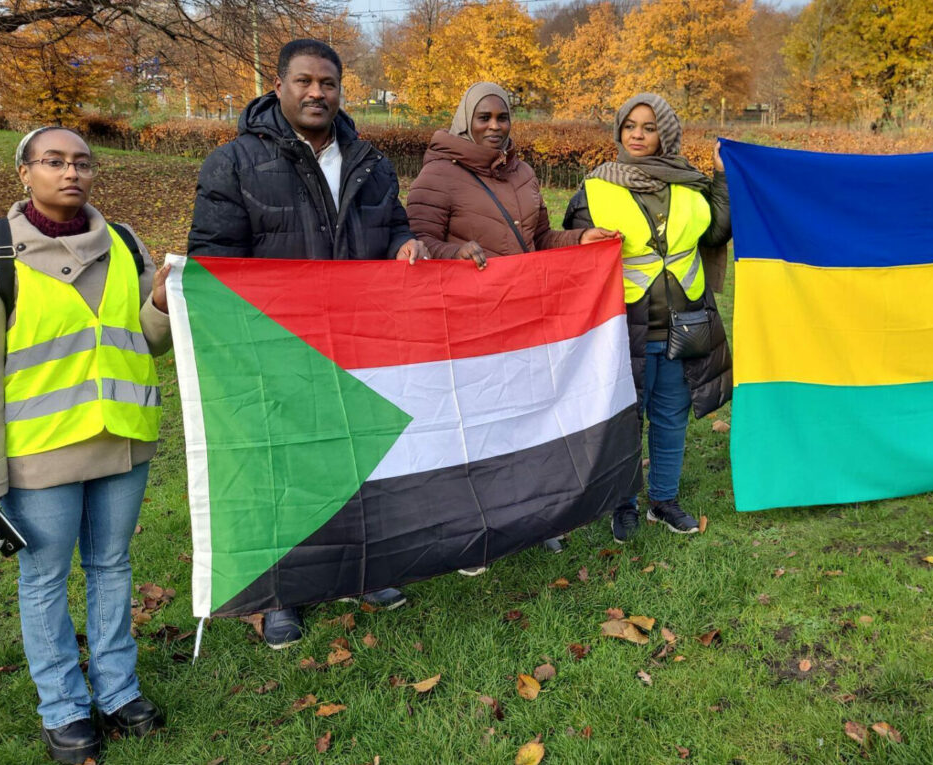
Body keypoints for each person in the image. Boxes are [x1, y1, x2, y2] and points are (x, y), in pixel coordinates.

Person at [188, 39, 426, 648]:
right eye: (304, 81)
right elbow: (214, 262)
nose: (317, 92)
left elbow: (393, 225)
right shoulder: (233, 163)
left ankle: (362, 568)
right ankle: (283, 593)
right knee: (283, 468)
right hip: (278, 346)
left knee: (356, 456)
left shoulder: (371, 162)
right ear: (278, 86)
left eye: (328, 83)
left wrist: (403, 244)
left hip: (357, 339)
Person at [0, 126, 171, 764]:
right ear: (24, 172)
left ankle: (118, 691)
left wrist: (161, 302)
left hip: (122, 440)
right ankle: (64, 708)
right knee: (45, 579)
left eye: (82, 162)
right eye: (53, 161)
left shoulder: (125, 243)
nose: (70, 172)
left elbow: (148, 340)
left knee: (111, 567)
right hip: (39, 453)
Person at [406, 82, 619, 572]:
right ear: (466, 119)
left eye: (502, 117)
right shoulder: (438, 175)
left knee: (524, 420)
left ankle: (528, 518)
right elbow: (414, 243)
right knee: (474, 427)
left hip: (523, 320)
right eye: (484, 117)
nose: (494, 126)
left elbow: (539, 238)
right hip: (468, 326)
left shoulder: (522, 172)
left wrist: (581, 239)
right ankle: (472, 529)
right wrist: (454, 252)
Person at [564, 93, 732, 543]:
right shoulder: (596, 188)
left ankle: (664, 500)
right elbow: (573, 251)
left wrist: (720, 176)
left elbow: (716, 231)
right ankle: (624, 505)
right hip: (623, 330)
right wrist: (583, 237)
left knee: (671, 416)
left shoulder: (689, 185)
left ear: (666, 135)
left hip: (683, 325)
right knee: (626, 421)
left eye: (649, 127)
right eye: (629, 126)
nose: (637, 135)